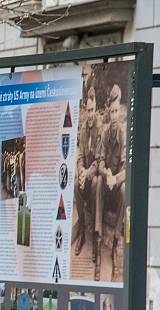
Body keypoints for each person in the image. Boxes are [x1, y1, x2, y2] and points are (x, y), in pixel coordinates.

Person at [93, 84, 126, 281]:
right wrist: (106, 173)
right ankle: (98, 239)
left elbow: (126, 166)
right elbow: (101, 159)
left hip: (117, 186)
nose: (113, 115)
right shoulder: (105, 133)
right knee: (97, 182)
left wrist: (116, 178)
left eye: (116, 111)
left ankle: (115, 240)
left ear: (120, 111)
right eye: (111, 112)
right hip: (107, 184)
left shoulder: (122, 134)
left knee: (124, 189)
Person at [74, 88, 100, 258]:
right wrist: (81, 171)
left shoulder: (100, 128)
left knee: (96, 182)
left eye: (92, 110)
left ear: (95, 108)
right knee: (76, 185)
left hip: (95, 175)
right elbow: (80, 156)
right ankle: (82, 231)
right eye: (87, 110)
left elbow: (99, 160)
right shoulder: (83, 129)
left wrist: (87, 173)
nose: (90, 114)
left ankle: (94, 239)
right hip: (86, 175)